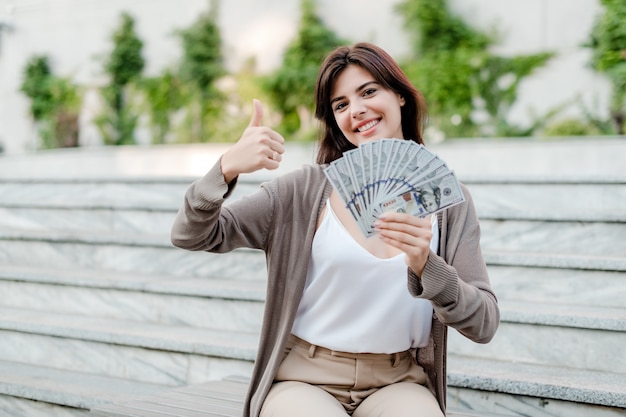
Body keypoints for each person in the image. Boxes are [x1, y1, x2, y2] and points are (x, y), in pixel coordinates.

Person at [171, 42, 499, 417]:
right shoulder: (301, 191)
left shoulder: (449, 202)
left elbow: (484, 324)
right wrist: (226, 167)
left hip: (398, 381)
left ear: (401, 97)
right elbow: (191, 234)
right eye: (340, 105)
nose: (356, 111)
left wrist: (428, 267)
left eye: (369, 91)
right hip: (304, 380)